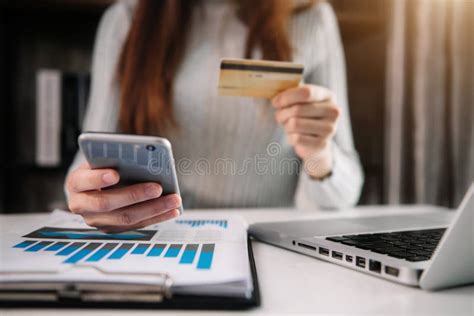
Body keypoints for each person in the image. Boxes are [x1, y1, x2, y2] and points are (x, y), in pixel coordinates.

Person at [65, 0, 364, 232]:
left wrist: (319, 155)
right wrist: (89, 193)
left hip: (271, 242)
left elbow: (344, 192)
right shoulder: (126, 20)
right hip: (161, 236)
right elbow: (89, 161)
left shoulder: (311, 19)